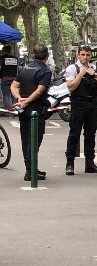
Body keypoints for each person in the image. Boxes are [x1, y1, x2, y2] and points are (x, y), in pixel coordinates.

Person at [10, 45, 52, 181]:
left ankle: (31, 167)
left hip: (23, 109)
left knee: (26, 138)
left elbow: (14, 85)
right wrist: (27, 100)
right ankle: (30, 170)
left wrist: (19, 98)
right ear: (47, 56)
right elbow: (40, 90)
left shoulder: (25, 68)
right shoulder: (45, 71)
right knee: (35, 140)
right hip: (36, 108)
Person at [63, 46, 97, 176]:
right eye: (82, 54)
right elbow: (70, 87)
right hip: (78, 103)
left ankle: (89, 163)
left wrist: (96, 76)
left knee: (90, 134)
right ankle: (70, 163)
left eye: (87, 55)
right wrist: (81, 74)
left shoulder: (95, 69)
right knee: (74, 134)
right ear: (78, 55)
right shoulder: (72, 69)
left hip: (92, 104)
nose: (85, 57)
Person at [0, 44, 18, 114]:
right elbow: (17, 68)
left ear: (4, 51)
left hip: (5, 79)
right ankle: (15, 109)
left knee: (6, 95)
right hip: (14, 79)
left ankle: (8, 111)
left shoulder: (2, 58)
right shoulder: (15, 58)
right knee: (14, 95)